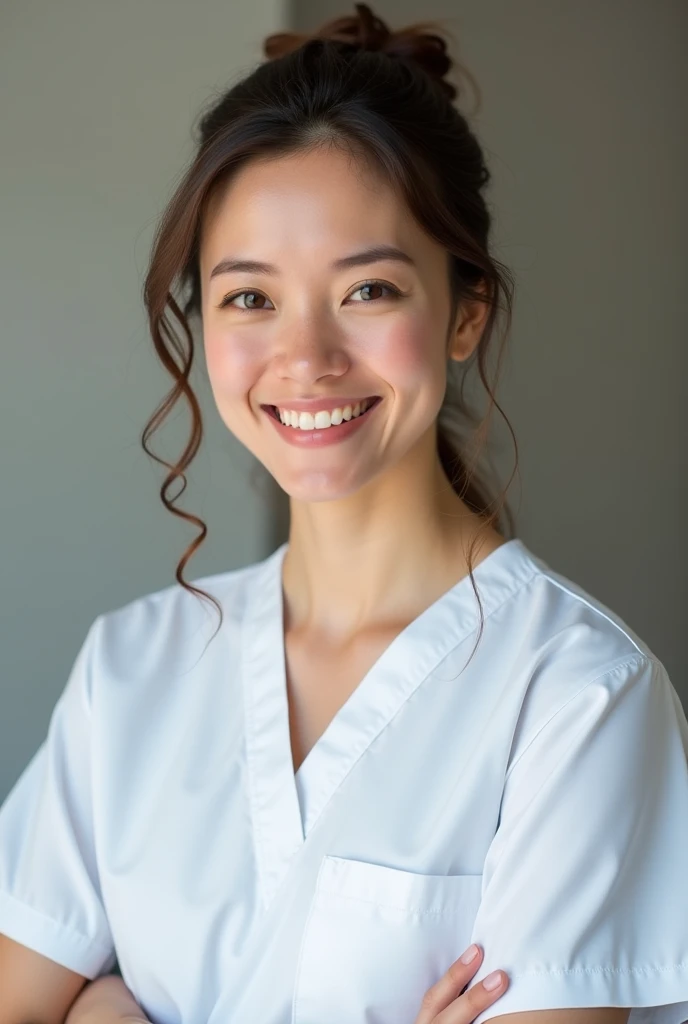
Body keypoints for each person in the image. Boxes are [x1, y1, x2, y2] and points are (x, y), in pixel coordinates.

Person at [1, 4, 687, 1024]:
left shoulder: (579, 698)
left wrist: (105, 1011)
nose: (306, 357)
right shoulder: (130, 669)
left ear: (464, 313)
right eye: (248, 298)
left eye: (367, 288)